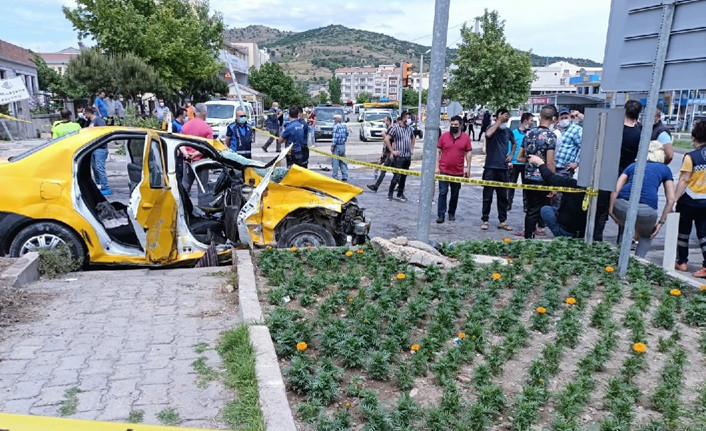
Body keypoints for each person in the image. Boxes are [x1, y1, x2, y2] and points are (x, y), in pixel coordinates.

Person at [610, 141, 675, 258]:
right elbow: (671, 199)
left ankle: (619, 259)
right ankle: (638, 264)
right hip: (647, 210)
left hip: (622, 205)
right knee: (646, 235)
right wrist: (661, 223)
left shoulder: (633, 166)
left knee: (625, 228)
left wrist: (611, 210)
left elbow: (615, 190)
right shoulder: (665, 169)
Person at [525, 155, 610, 238]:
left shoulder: (573, 184)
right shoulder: (605, 190)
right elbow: (603, 217)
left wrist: (540, 163)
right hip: (588, 232)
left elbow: (550, 178)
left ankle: (562, 236)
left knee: (545, 210)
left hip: (568, 230)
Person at [517, 104, 557, 239]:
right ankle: (531, 238)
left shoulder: (528, 133)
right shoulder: (550, 136)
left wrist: (531, 161)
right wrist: (553, 184)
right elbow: (550, 162)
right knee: (539, 210)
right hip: (543, 178)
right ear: (553, 119)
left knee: (530, 210)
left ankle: (528, 237)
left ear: (540, 117)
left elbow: (520, 158)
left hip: (528, 176)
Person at [674, 121, 706, 278]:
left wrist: (674, 199)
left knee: (683, 231)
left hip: (689, 199)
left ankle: (682, 261)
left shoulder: (690, 157)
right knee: (703, 233)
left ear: (694, 138)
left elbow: (684, 180)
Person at [480, 108, 516, 231]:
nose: (506, 118)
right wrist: (498, 121)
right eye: (504, 115)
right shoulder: (492, 128)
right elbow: (488, 134)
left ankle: (503, 220)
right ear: (498, 116)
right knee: (487, 196)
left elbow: (514, 143)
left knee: (503, 197)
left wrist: (511, 155)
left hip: (503, 168)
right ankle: (485, 219)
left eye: (507, 116)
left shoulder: (508, 131)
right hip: (490, 167)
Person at [436, 115, 472, 223]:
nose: (453, 126)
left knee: (455, 193)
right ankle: (441, 214)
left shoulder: (466, 138)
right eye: (451, 124)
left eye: (455, 125)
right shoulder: (444, 136)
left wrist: (468, 168)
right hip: (444, 170)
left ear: (460, 125)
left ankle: (451, 213)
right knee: (443, 192)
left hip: (458, 171)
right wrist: (436, 166)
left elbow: (468, 153)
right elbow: (438, 151)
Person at [180, 103, 213, 193]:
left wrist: (186, 153)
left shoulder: (185, 126)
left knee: (185, 186)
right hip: (202, 162)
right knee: (202, 188)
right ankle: (201, 206)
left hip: (188, 161)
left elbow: (180, 143)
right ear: (204, 113)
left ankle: (182, 206)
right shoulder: (207, 128)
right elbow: (209, 146)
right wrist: (196, 154)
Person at [386, 111, 415, 202]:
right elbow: (387, 139)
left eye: (410, 117)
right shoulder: (396, 128)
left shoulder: (409, 129)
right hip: (399, 157)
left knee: (404, 176)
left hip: (407, 156)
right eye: (407, 117)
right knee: (397, 176)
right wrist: (392, 151)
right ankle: (390, 194)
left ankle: (400, 193)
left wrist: (412, 148)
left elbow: (413, 138)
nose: (409, 119)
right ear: (403, 118)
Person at [508, 113, 533, 212]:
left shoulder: (530, 133)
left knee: (526, 186)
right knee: (511, 185)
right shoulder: (514, 132)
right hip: (514, 163)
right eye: (531, 120)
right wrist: (509, 160)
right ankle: (508, 204)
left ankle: (526, 205)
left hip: (525, 163)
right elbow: (509, 146)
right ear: (525, 121)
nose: (532, 123)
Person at [84, 107, 110, 195]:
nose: (84, 116)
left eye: (85, 114)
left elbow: (105, 133)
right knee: (95, 167)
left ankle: (105, 186)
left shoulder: (99, 121)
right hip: (93, 148)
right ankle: (99, 184)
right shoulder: (90, 122)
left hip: (100, 148)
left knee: (99, 168)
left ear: (88, 113)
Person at [367, 116, 394, 192]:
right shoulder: (387, 130)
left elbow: (392, 142)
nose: (384, 123)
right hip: (387, 152)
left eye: (385, 121)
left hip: (391, 153)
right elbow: (385, 144)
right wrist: (383, 152)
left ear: (389, 121)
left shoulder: (392, 130)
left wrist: (384, 135)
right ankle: (400, 185)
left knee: (384, 170)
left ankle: (376, 186)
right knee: (395, 171)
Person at [554, 107, 583, 177]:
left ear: (570, 118)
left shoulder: (576, 130)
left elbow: (582, 146)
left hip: (565, 169)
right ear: (558, 119)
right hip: (552, 166)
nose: (564, 120)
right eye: (562, 118)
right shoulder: (555, 130)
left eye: (566, 117)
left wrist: (576, 163)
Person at [330, 114, 349, 181]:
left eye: (335, 118)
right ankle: (345, 176)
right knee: (343, 162)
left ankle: (335, 177)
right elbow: (347, 134)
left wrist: (332, 146)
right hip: (342, 146)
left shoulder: (336, 127)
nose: (334, 120)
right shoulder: (344, 126)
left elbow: (335, 137)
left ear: (338, 119)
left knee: (335, 162)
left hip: (337, 146)